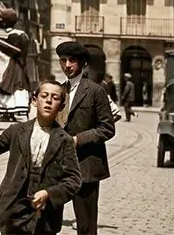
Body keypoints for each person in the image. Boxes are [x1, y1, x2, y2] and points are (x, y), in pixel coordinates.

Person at [0, 80, 83, 235]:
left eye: (55, 98)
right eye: (44, 96)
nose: (48, 101)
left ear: (61, 106)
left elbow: (74, 180)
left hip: (44, 216)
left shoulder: (64, 140)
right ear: (34, 100)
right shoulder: (17, 131)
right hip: (13, 208)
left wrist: (49, 193)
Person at [56, 41, 115, 235]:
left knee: (86, 224)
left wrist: (77, 140)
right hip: (58, 166)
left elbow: (107, 128)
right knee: (49, 219)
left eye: (72, 61)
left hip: (86, 166)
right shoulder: (57, 91)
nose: (67, 65)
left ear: (83, 64)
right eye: (63, 61)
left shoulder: (96, 91)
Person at [0, 9, 31, 122]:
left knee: (13, 86)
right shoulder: (20, 34)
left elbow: (13, 49)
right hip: (14, 65)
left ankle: (10, 111)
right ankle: (8, 112)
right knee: (9, 86)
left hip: (14, 65)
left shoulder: (16, 35)